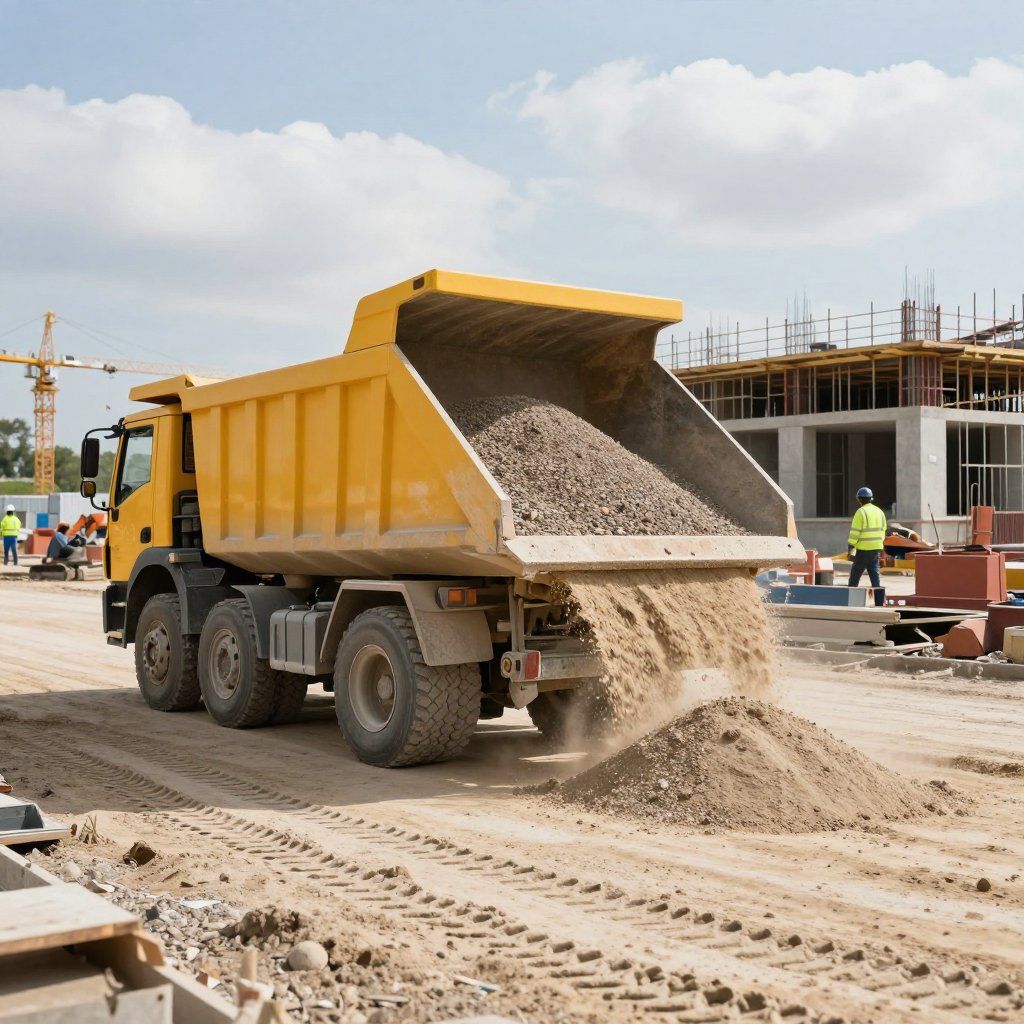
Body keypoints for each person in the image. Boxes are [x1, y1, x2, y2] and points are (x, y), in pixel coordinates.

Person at [847, 486, 887, 589]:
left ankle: (850, 600)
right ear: (871, 498)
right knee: (874, 576)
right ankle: (879, 602)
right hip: (876, 548)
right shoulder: (879, 512)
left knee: (855, 576)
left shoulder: (861, 512)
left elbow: (855, 532)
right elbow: (883, 530)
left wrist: (851, 547)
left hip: (863, 550)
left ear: (859, 499)